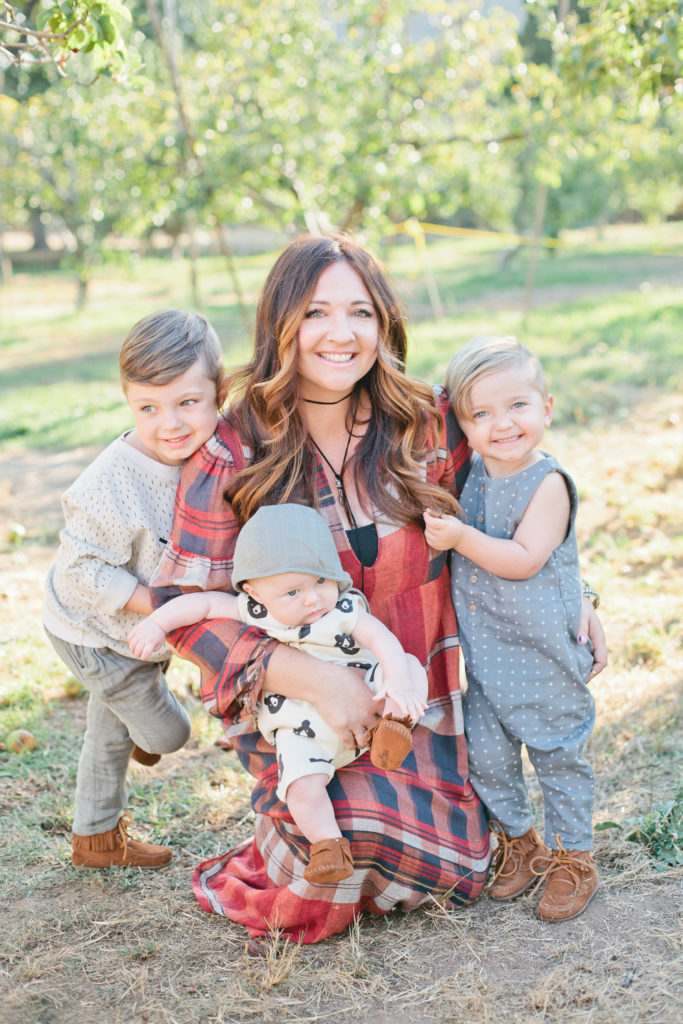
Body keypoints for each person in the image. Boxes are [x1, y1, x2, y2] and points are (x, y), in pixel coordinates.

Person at [150, 234, 606, 947]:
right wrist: (314, 679)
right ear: (281, 324)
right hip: (308, 712)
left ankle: (458, 821)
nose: (341, 334)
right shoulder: (234, 450)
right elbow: (183, 608)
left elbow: (517, 497)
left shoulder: (426, 421)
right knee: (330, 875)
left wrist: (572, 594)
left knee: (441, 868)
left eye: (359, 312)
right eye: (316, 313)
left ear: (384, 323)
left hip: (422, 704)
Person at [130, 502, 428, 884]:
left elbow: (379, 637)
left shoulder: (341, 608)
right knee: (301, 789)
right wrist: (156, 624)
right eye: (292, 591)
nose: (313, 599)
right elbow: (201, 603)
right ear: (254, 590)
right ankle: (328, 846)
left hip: (369, 701)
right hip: (303, 729)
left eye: (321, 580)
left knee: (408, 665)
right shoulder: (254, 610)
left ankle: (396, 727)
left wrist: (397, 682)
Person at [424, 334, 600, 923]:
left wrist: (459, 539)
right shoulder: (471, 471)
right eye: (482, 413)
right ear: (463, 427)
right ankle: (523, 844)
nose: (503, 424)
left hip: (544, 656)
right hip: (488, 661)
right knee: (488, 761)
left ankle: (574, 857)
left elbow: (525, 558)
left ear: (547, 407)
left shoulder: (546, 483)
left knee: (558, 758)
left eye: (518, 406)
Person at [43, 309, 226, 869]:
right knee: (169, 733)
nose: (168, 423)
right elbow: (80, 570)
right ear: (128, 402)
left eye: (187, 403)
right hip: (92, 632)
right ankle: (144, 725)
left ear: (219, 393)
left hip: (135, 632)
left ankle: (95, 839)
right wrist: (161, 607)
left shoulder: (212, 454)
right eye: (148, 408)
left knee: (111, 728)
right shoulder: (112, 480)